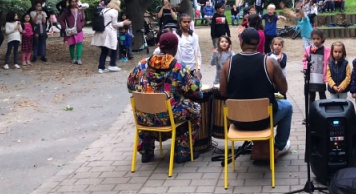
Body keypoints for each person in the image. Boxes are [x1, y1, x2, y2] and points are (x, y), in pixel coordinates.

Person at [127, 32, 202, 163]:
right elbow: (196, 90)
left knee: (148, 109)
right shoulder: (178, 68)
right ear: (175, 47)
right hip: (168, 117)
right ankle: (183, 152)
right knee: (195, 109)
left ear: (160, 46)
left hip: (144, 117)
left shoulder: (142, 64)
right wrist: (196, 79)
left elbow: (130, 86)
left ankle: (146, 152)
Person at [219, 28, 292, 156]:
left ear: (241, 41)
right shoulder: (269, 62)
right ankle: (279, 146)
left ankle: (260, 145)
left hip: (237, 120)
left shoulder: (228, 64)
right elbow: (284, 89)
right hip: (263, 119)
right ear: (258, 43)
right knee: (287, 106)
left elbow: (223, 92)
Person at [92, 0, 131, 74]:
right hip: (109, 32)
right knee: (114, 47)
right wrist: (124, 23)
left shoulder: (104, 10)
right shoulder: (114, 11)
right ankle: (112, 64)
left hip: (102, 31)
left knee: (104, 50)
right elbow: (114, 24)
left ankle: (101, 67)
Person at [302, 29, 330, 104]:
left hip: (321, 77)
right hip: (311, 77)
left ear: (322, 39)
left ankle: (323, 109)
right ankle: (311, 110)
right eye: (314, 39)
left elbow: (329, 61)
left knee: (322, 94)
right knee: (311, 95)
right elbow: (304, 59)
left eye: (318, 39)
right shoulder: (308, 49)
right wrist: (305, 68)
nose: (316, 41)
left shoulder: (326, 50)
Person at [60, 0, 86, 65]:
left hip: (79, 30)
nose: (73, 3)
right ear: (69, 3)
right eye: (72, 2)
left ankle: (79, 58)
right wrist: (64, 27)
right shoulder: (66, 11)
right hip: (70, 31)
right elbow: (61, 19)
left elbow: (83, 19)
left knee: (79, 44)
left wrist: (81, 25)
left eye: (75, 1)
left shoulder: (80, 10)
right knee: (72, 44)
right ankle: (73, 58)